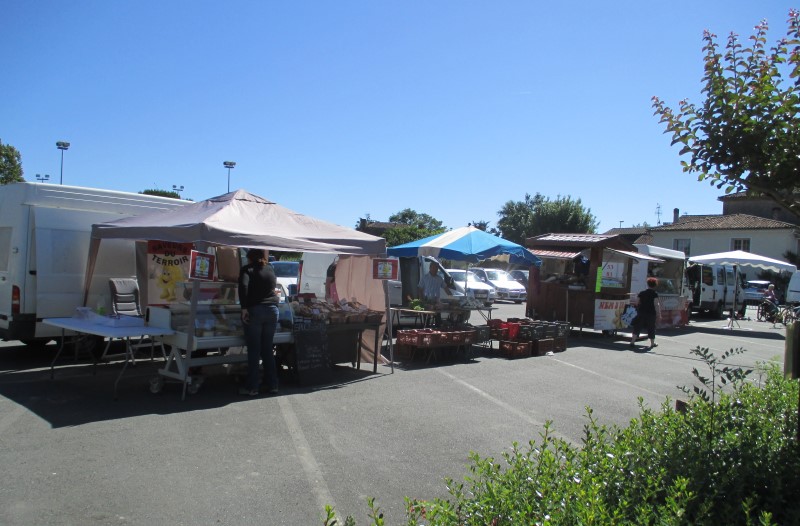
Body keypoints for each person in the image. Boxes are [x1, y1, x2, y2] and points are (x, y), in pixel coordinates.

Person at [238, 248, 280, 396]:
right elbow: (273, 287)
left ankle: (252, 387)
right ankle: (273, 385)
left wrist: (244, 308)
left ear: (249, 258)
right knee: (267, 349)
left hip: (255, 310)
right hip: (272, 310)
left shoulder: (247, 269)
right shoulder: (270, 268)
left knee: (254, 350)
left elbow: (243, 287)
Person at [630, 277, 659, 349]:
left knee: (637, 326)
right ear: (655, 285)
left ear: (647, 284)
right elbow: (656, 304)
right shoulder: (655, 294)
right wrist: (659, 314)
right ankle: (652, 344)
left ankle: (632, 342)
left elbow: (636, 303)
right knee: (651, 328)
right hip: (651, 313)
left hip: (641, 312)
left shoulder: (642, 293)